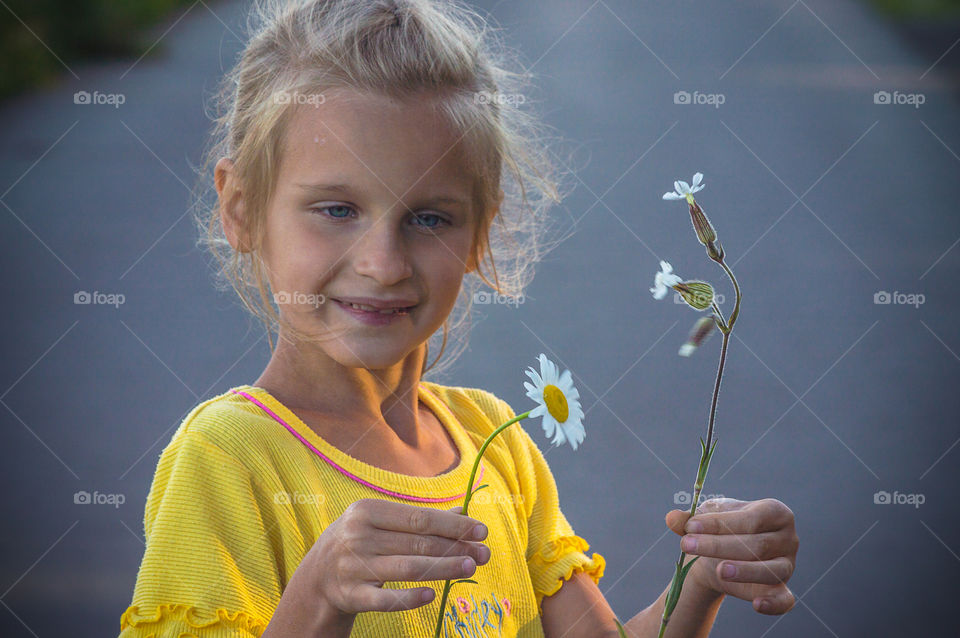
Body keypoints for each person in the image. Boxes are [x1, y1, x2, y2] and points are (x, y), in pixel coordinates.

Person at [118, 1, 799, 636]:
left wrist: (702, 576)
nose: (383, 263)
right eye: (336, 209)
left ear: (480, 233)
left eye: (430, 218)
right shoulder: (228, 459)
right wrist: (318, 594)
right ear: (241, 209)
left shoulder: (496, 448)